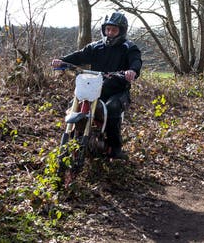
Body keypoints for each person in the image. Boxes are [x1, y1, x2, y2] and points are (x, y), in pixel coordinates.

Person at [51, 12, 142, 159]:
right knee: (73, 104)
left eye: (114, 30)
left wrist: (132, 71)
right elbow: (79, 55)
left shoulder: (129, 47)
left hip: (117, 91)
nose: (110, 33)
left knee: (112, 108)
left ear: (122, 31)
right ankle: (73, 139)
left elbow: (136, 61)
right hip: (95, 88)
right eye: (108, 29)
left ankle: (115, 148)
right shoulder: (96, 47)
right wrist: (62, 61)